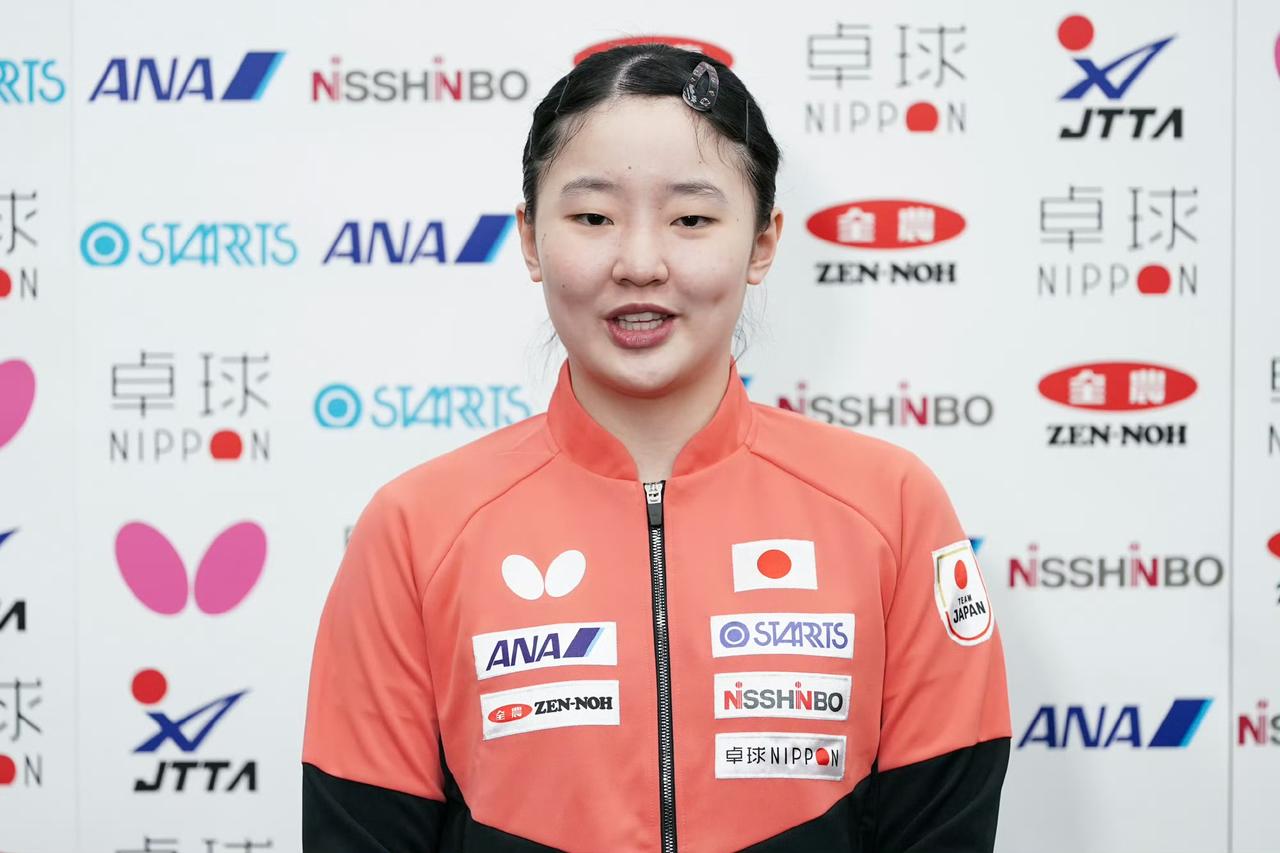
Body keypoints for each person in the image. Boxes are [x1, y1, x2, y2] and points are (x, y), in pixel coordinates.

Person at [301, 44, 1010, 853]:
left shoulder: (893, 507)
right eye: (593, 218)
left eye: (692, 219)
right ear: (530, 238)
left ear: (764, 242)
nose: (640, 263)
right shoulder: (414, 530)